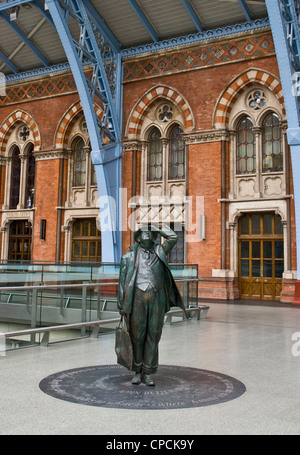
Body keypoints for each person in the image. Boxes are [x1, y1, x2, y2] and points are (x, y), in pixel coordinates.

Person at [117, 224, 186, 386]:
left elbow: (173, 237)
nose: (147, 235)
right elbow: (121, 283)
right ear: (138, 238)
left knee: (153, 335)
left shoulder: (160, 251)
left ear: (154, 238)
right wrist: (121, 303)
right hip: (136, 299)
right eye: (144, 233)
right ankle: (137, 370)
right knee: (137, 336)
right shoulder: (128, 257)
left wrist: (156, 227)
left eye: (150, 233)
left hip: (157, 299)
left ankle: (148, 372)